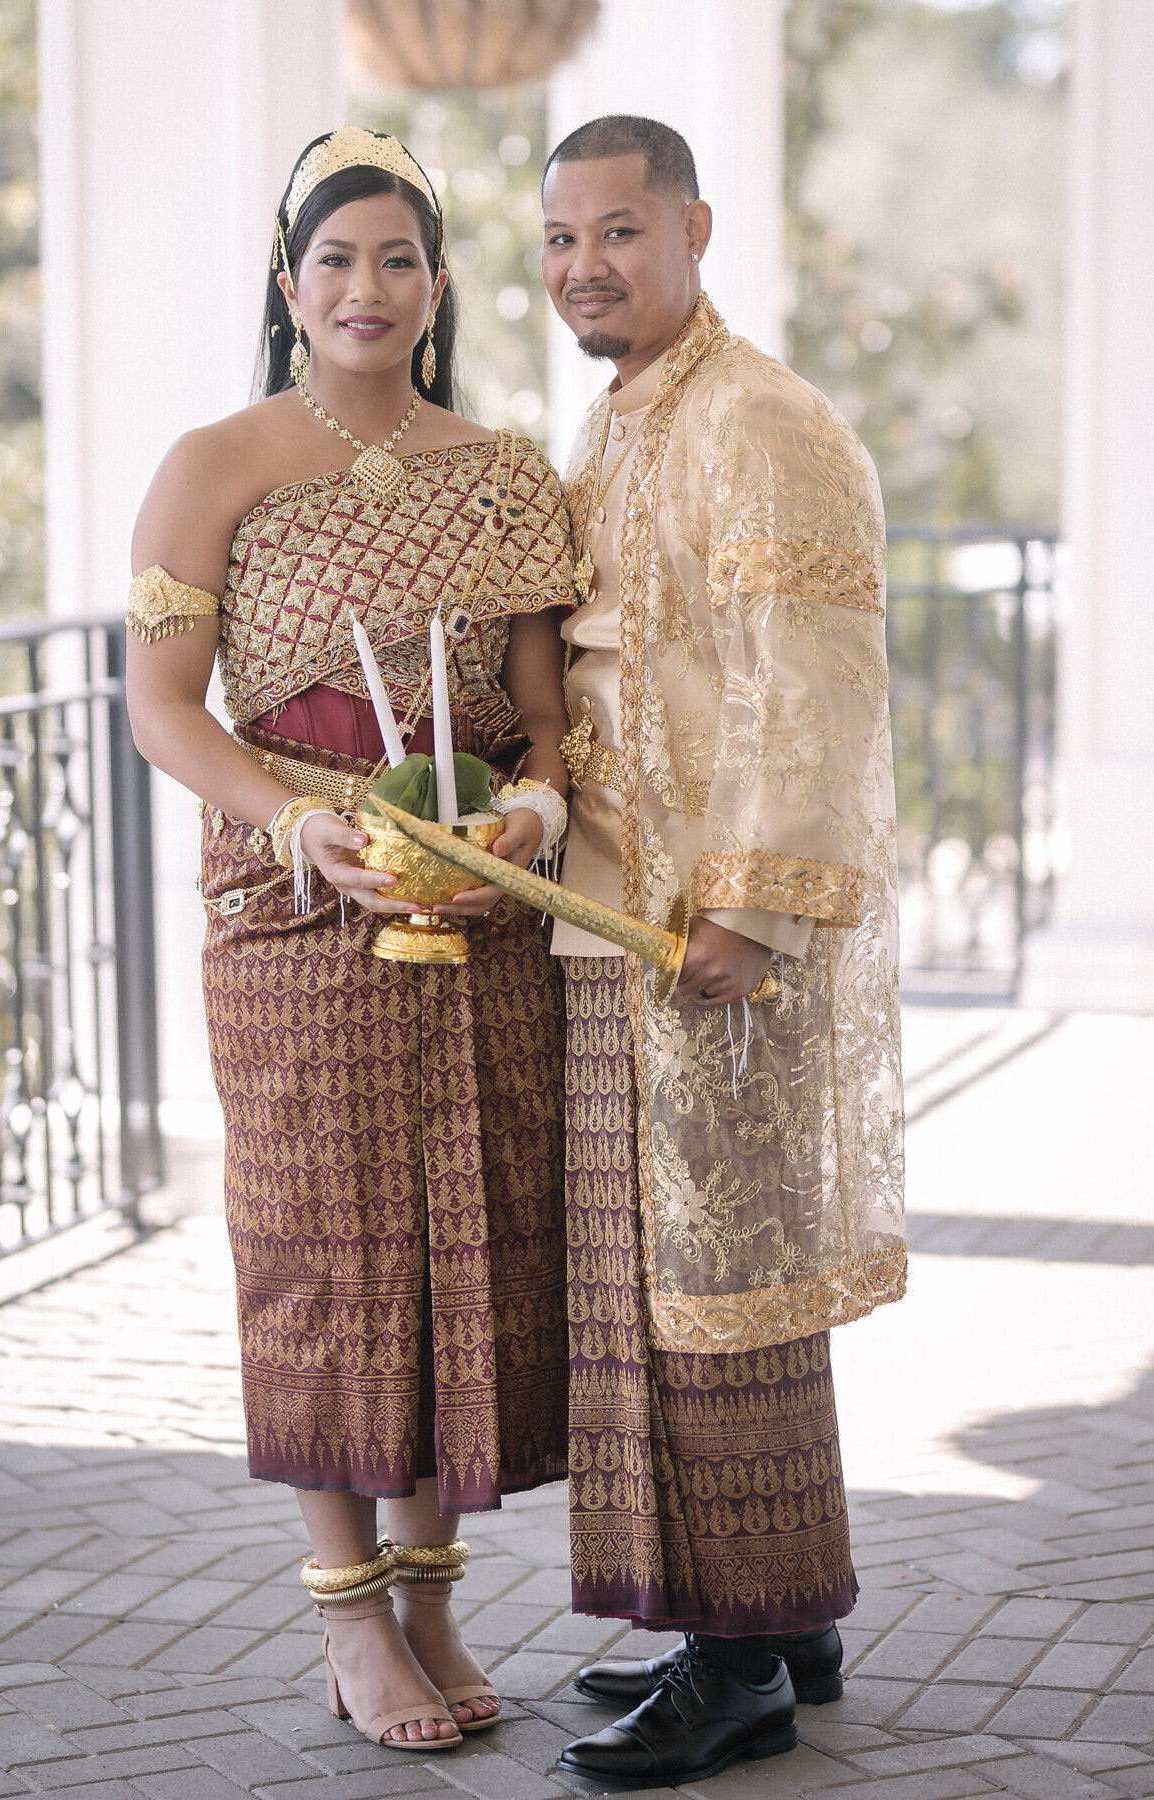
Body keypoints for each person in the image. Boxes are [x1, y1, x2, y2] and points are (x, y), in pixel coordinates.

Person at [126, 127, 576, 1754]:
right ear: (290, 284)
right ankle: (349, 1616)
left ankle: (440, 1593)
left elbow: (544, 723)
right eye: (336, 261)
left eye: (399, 259)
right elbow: (162, 709)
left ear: (440, 285)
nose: (367, 288)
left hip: (472, 904)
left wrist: (521, 826)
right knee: (326, 1254)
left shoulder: (505, 470)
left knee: (469, 1236)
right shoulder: (214, 464)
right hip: (294, 904)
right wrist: (301, 823)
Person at [540, 115, 907, 1787]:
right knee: (674, 1284)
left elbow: (816, 683)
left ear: (695, 228)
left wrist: (750, 912)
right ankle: (781, 1617)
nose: (584, 269)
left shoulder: (758, 419)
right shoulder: (620, 424)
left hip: (710, 941)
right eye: (559, 241)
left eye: (617, 233)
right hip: (619, 925)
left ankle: (741, 1661)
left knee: (720, 1292)